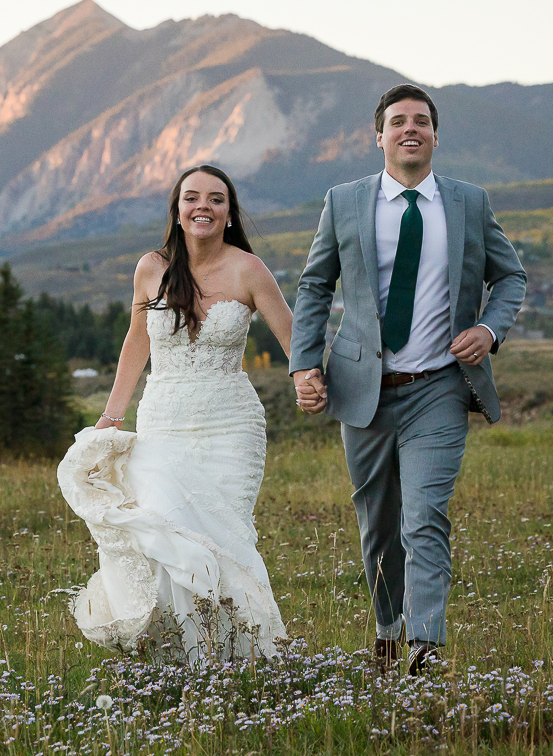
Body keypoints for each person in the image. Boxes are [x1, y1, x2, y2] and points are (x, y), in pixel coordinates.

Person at [289, 84, 526, 675]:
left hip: (441, 387)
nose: (410, 129)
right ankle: (389, 629)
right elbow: (315, 286)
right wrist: (302, 363)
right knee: (378, 524)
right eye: (398, 122)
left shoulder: (470, 203)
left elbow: (511, 277)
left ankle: (424, 645)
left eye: (421, 121)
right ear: (380, 136)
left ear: (436, 135)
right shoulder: (343, 202)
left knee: (424, 515)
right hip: (362, 388)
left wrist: (490, 331)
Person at [57, 164, 294, 663]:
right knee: (167, 529)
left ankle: (240, 658)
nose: (202, 206)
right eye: (192, 198)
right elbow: (136, 342)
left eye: (215, 199)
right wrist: (112, 415)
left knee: (224, 533)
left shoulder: (249, 270)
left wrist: (312, 381)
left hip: (231, 424)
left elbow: (295, 341)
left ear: (230, 213)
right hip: (164, 419)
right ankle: (183, 660)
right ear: (178, 209)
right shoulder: (151, 268)